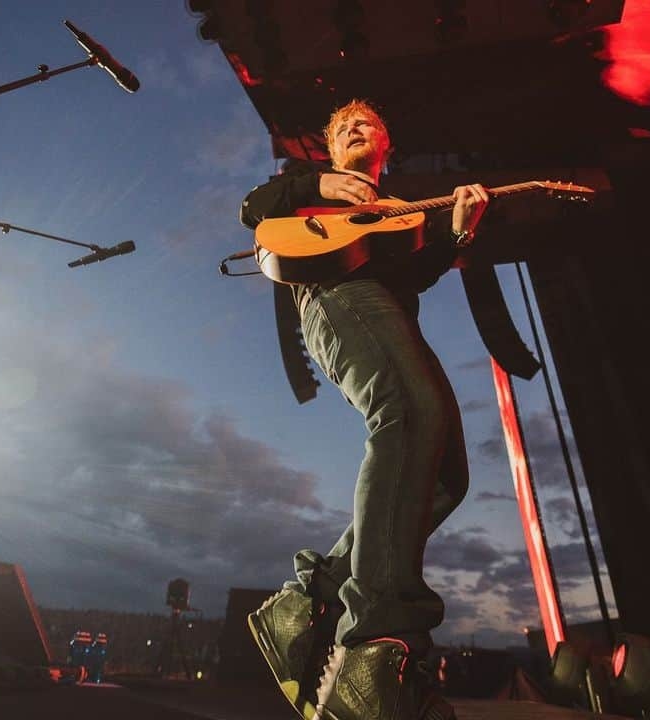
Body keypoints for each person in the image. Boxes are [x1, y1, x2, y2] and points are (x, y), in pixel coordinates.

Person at [239, 100, 488, 720]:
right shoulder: (307, 188)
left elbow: (413, 276)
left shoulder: (399, 210)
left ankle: (306, 604)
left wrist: (457, 233)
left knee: (444, 475)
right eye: (342, 125)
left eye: (367, 124)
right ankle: (380, 642)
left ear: (387, 146)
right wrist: (315, 183)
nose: (354, 128)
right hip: (338, 300)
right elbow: (253, 209)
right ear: (330, 146)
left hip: (388, 311)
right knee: (409, 416)